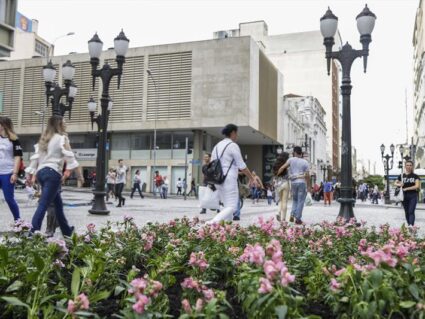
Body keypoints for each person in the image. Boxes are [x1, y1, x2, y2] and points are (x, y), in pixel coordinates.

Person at [26, 116, 82, 236]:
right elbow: (71, 157)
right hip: (53, 174)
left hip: (41, 173)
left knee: (58, 205)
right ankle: (32, 232)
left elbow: (35, 159)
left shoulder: (44, 139)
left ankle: (66, 231)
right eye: (64, 122)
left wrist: (29, 175)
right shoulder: (62, 138)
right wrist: (79, 176)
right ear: (59, 124)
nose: (66, 124)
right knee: (44, 204)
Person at [208, 124, 254, 224]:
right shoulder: (232, 145)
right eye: (236, 133)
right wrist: (251, 178)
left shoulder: (217, 146)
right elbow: (242, 165)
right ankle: (212, 223)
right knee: (233, 207)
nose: (237, 136)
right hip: (228, 179)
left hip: (217, 179)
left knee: (226, 206)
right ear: (233, 132)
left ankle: (227, 230)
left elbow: (211, 163)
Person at [277, 146, 310, 224]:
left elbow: (282, 168)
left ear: (294, 152)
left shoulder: (291, 160)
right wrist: (308, 186)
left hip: (293, 183)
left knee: (295, 200)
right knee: (300, 201)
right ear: (301, 153)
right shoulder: (305, 162)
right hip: (302, 183)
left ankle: (292, 216)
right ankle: (298, 219)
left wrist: (277, 175)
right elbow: (307, 175)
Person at [0, 117, 23, 221]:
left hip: (7, 173)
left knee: (9, 199)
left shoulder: (14, 140)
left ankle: (18, 221)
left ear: (4, 125)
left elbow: (18, 157)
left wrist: (15, 173)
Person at [395, 160, 421, 226]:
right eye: (407, 165)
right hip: (404, 196)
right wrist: (399, 184)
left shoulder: (415, 176)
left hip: (413, 195)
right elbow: (395, 183)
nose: (409, 166)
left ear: (412, 167)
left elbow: (417, 186)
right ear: (405, 166)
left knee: (411, 211)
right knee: (407, 212)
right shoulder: (401, 176)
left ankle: (411, 226)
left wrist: (406, 188)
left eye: (410, 165)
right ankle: (409, 225)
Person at [273, 152, 290, 221]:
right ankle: (283, 218)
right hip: (285, 183)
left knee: (280, 200)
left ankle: (278, 212)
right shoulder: (286, 164)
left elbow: (274, 174)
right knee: (284, 201)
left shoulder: (275, 164)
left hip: (278, 183)